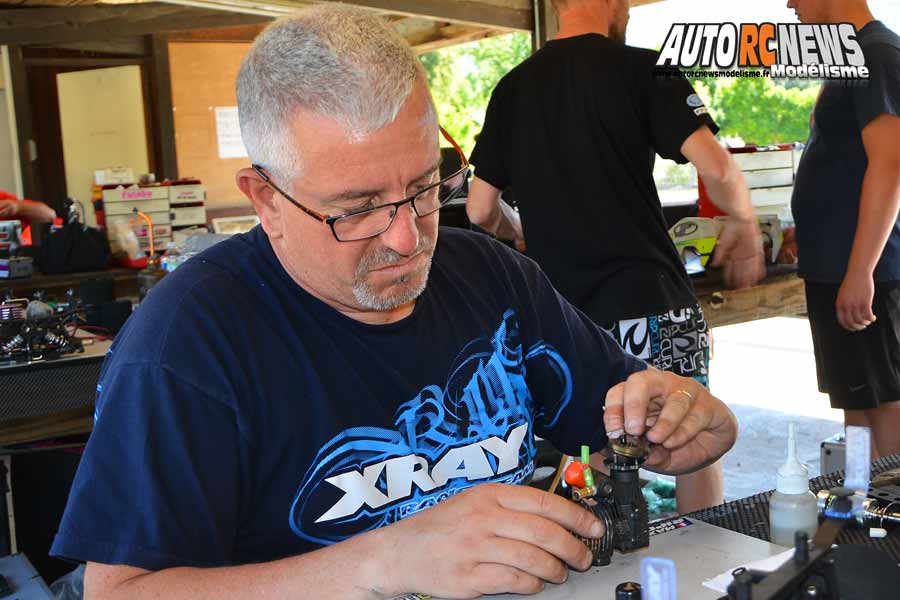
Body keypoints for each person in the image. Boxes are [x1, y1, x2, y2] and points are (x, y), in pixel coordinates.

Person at [51, 6, 738, 599]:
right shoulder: (188, 344)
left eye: (422, 188)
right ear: (266, 199)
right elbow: (122, 591)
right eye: (357, 209)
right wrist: (385, 560)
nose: (408, 238)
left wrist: (688, 429)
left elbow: (639, 428)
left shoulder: (492, 278)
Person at [466, 0, 764, 513]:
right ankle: (702, 581)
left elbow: (478, 210)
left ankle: (618, 574)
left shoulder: (513, 87)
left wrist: (520, 234)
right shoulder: (647, 69)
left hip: (565, 316)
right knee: (689, 440)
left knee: (598, 447)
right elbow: (719, 168)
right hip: (650, 296)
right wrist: (745, 223)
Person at [788, 0, 900, 458]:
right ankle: (862, 503)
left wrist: (861, 272)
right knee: (857, 399)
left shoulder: (876, 53)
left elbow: (890, 164)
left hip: (867, 272)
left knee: (886, 403)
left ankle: (891, 522)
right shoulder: (850, 56)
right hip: (835, 268)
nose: (790, 3)